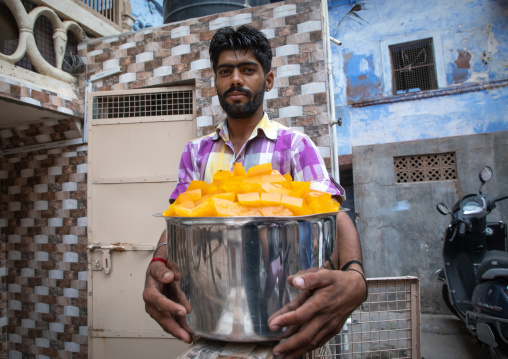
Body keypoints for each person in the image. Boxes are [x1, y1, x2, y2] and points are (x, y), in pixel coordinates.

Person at [142, 25, 367, 359]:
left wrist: (356, 276)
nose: (235, 80)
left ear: (269, 79)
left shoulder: (294, 146)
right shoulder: (196, 152)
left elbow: (331, 212)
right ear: (216, 81)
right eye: (225, 72)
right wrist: (158, 260)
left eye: (248, 70)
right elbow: (179, 217)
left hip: (286, 311)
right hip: (213, 314)